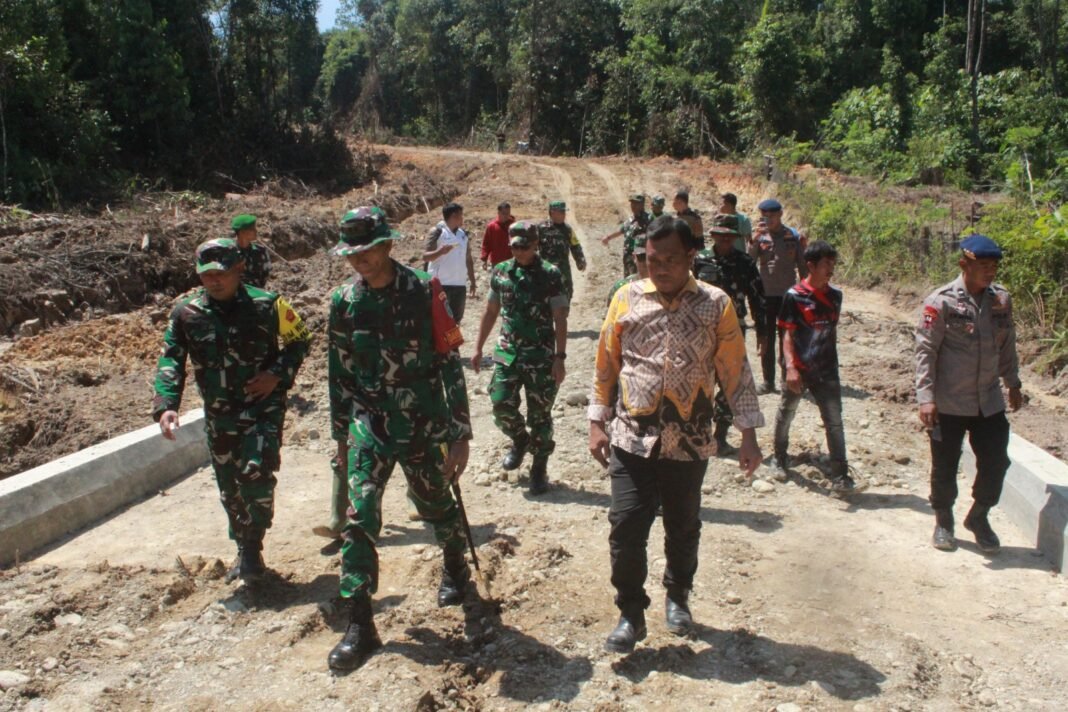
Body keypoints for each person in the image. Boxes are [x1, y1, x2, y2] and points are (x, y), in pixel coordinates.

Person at [589, 216, 764, 653]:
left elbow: (734, 371)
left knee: (683, 526)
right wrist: (596, 420)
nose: (660, 268)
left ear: (691, 257)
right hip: (632, 436)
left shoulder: (715, 304)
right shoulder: (625, 298)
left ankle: (678, 595)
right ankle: (630, 611)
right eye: (652, 260)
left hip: (690, 440)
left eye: (670, 259)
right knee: (626, 525)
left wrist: (747, 432)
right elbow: (606, 363)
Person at [326, 207, 473, 671]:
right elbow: (339, 373)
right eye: (352, 254)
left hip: (421, 422)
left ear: (388, 245)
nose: (360, 261)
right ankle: (360, 623)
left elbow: (450, 362)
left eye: (368, 250)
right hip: (369, 423)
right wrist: (341, 437)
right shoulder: (344, 302)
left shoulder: (424, 290)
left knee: (434, 506)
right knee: (359, 515)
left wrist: (460, 434)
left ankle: (454, 561)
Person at [152, 238, 310, 583]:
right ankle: (244, 546)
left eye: (221, 273)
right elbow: (171, 359)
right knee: (230, 487)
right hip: (219, 414)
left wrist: (275, 375)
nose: (214, 281)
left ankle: (253, 543)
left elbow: (300, 340)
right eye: (206, 275)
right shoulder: (186, 314)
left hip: (262, 408)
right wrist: (166, 405)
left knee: (256, 473)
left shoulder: (268, 304)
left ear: (239, 269)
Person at [915, 235, 1022, 554]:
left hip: (988, 400)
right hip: (948, 401)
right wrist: (926, 397)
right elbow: (925, 350)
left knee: (997, 461)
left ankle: (979, 516)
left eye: (994, 267)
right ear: (965, 264)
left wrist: (1013, 382)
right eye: (983, 266)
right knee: (944, 465)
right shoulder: (941, 301)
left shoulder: (1000, 300)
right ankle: (944, 521)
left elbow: (1007, 344)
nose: (990, 272)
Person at [472, 221, 569, 494]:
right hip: (508, 355)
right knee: (500, 404)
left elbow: (560, 317)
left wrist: (560, 357)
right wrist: (478, 347)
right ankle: (519, 439)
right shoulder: (501, 272)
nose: (519, 252)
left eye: (524, 247)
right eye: (514, 246)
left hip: (541, 357)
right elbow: (491, 311)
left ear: (536, 245)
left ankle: (539, 467)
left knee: (540, 416)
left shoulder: (550, 274)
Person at [770, 240, 854, 493]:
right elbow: (786, 333)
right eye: (826, 264)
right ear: (810, 265)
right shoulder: (794, 296)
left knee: (834, 421)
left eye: (833, 263)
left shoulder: (835, 296)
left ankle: (841, 475)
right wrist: (791, 367)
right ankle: (779, 457)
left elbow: (830, 333)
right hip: (799, 367)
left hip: (826, 370)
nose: (831, 269)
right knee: (787, 413)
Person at [693, 214, 766, 454]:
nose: (724, 241)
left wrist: (763, 332)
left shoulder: (745, 262)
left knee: (728, 380)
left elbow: (757, 297)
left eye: (729, 237)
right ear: (712, 236)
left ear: (735, 238)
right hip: (701, 330)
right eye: (720, 236)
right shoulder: (699, 260)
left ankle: (720, 434)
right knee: (700, 379)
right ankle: (698, 431)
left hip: (733, 330)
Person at [749, 198, 807, 394]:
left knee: (786, 338)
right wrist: (754, 240)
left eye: (772, 216)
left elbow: (802, 266)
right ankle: (768, 381)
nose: (769, 220)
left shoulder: (793, 237)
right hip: (766, 296)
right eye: (765, 216)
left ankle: (785, 380)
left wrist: (806, 292)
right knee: (766, 339)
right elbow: (749, 263)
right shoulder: (760, 238)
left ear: (780, 214)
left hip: (787, 296)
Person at [423, 202, 477, 324]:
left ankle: (453, 343)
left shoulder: (463, 235)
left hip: (459, 285)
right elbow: (425, 257)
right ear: (453, 216)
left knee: (455, 321)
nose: (463, 218)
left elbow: (468, 259)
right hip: (440, 285)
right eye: (461, 215)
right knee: (438, 321)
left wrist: (473, 281)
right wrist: (440, 252)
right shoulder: (437, 232)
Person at [537, 200, 587, 302]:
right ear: (552, 212)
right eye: (561, 212)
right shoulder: (541, 228)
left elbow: (575, 245)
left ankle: (563, 315)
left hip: (563, 270)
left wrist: (580, 260)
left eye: (564, 212)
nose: (564, 215)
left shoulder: (567, 229)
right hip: (545, 270)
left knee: (566, 293)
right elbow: (532, 247)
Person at [601, 194, 653, 277]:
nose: (633, 206)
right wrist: (608, 238)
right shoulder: (631, 219)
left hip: (640, 257)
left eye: (636, 204)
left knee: (639, 281)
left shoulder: (649, 219)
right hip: (627, 256)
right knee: (628, 280)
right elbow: (621, 230)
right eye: (632, 204)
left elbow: (654, 236)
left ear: (642, 205)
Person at [606, 234, 649, 306]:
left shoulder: (669, 289)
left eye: (652, 258)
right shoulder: (621, 288)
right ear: (634, 257)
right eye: (642, 256)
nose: (647, 262)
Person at [231, 214, 271, 288]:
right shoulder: (229, 252)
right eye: (252, 229)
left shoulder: (260, 251)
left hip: (258, 293)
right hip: (236, 295)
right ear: (242, 232)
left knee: (280, 300)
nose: (256, 231)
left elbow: (265, 276)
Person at [480, 202, 515, 269]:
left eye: (508, 213)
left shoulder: (513, 225)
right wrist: (484, 259)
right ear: (498, 213)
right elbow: (486, 243)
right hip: (496, 262)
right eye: (503, 213)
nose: (506, 215)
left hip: (510, 260)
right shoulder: (492, 226)